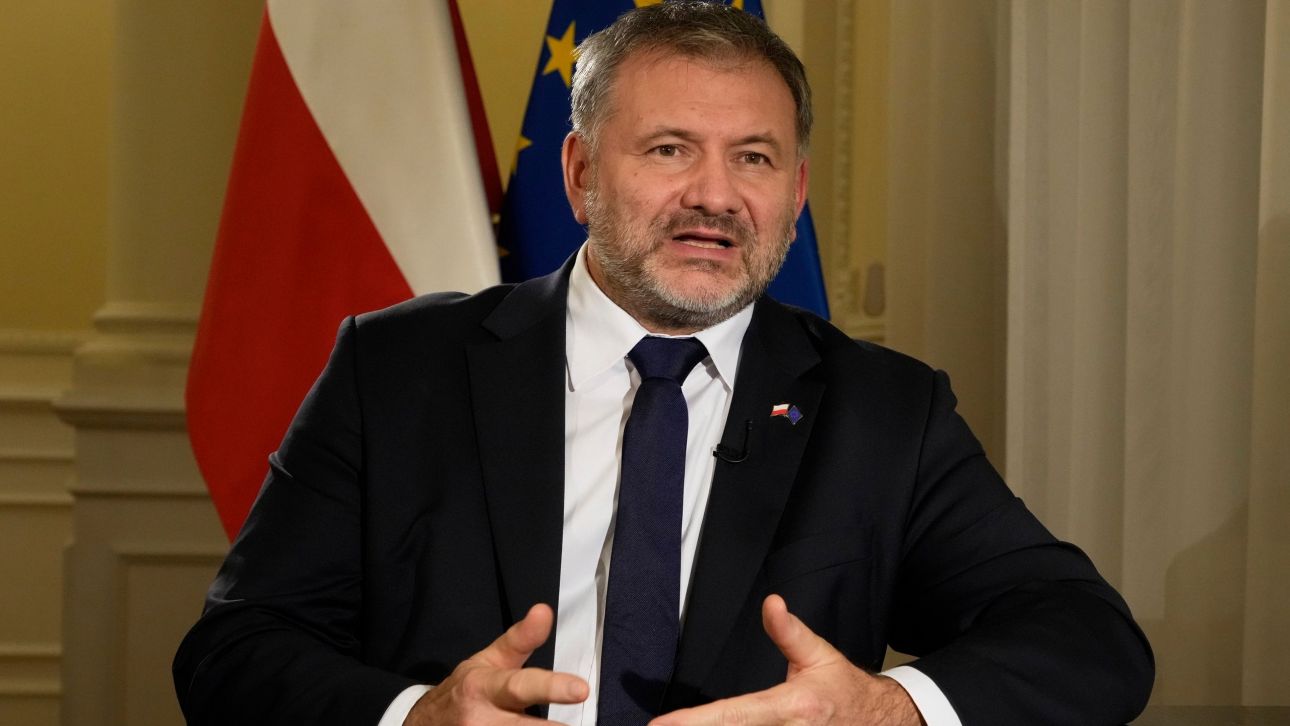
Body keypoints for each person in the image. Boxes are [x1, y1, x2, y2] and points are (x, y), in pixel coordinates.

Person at [173, 3, 1154, 724]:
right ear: (580, 175)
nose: (715, 197)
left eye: (755, 158)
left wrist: (890, 710)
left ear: (797, 191)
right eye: (671, 149)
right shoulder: (396, 371)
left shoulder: (882, 409)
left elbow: (1087, 637)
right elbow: (233, 651)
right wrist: (415, 717)